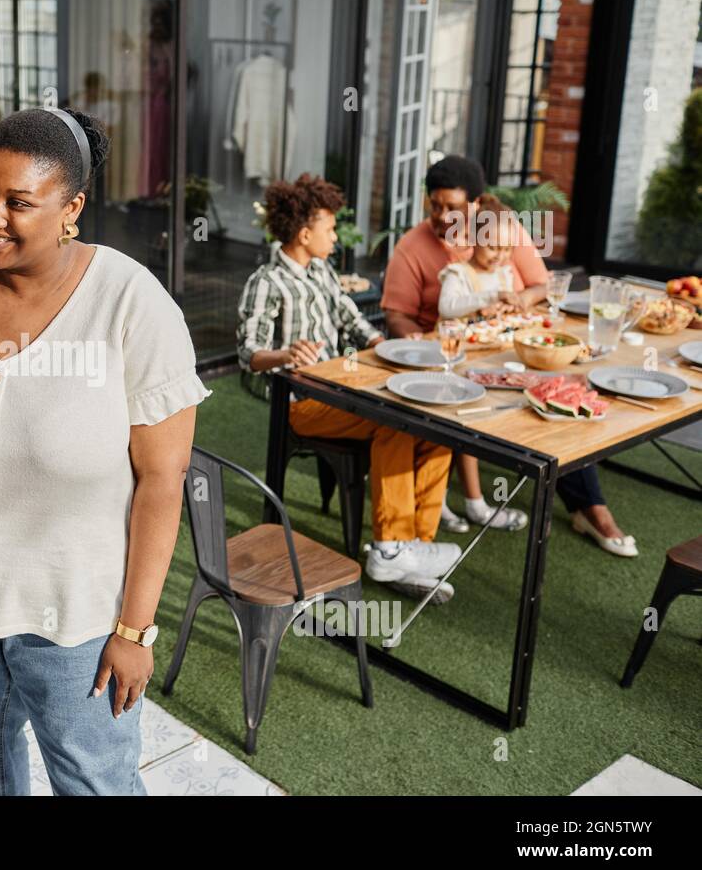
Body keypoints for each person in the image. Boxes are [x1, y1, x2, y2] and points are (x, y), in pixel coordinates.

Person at [0, 106, 209, 795]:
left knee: (92, 780)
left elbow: (162, 483)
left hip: (74, 621)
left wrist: (135, 632)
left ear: (71, 208)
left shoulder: (131, 305)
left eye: (19, 202)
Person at [382, 155, 637, 557]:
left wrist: (520, 298)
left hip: (517, 346)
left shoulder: (503, 231)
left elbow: (541, 284)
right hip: (456, 357)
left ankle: (590, 507)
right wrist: (419, 344)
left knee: (565, 392)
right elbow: (396, 316)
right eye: (434, 204)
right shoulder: (412, 248)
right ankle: (463, 501)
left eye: (451, 206)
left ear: (477, 204)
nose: (440, 215)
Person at [237, 173, 461, 604]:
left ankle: (414, 546)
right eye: (330, 228)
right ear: (305, 234)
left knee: (436, 428)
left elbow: (352, 321)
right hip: (301, 402)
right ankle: (393, 547)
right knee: (394, 423)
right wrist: (285, 355)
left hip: (341, 388)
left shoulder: (321, 270)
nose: (336, 236)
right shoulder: (266, 281)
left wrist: (389, 346)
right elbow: (248, 352)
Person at [435, 192, 537, 532]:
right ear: (475, 239)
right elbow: (448, 308)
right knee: (462, 428)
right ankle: (465, 503)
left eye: (507, 250)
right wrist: (489, 297)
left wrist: (508, 307)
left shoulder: (505, 274)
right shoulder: (457, 273)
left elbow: (498, 317)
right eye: (493, 247)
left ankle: (462, 500)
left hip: (488, 360)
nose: (501, 256)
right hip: (454, 363)